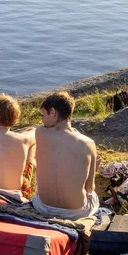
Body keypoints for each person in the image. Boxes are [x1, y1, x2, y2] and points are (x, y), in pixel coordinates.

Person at [32, 91, 98, 219]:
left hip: (42, 207)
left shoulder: (39, 133)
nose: (43, 120)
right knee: (92, 195)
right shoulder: (89, 143)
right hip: (75, 213)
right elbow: (90, 188)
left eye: (43, 115)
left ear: (53, 112)